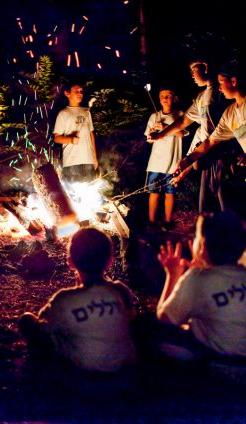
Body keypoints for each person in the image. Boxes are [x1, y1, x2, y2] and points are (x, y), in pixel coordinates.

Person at [18, 227, 137, 373]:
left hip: (81, 379)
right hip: (126, 375)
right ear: (110, 261)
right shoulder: (120, 291)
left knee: (27, 320)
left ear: (70, 262)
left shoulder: (64, 299)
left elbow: (43, 324)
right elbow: (131, 321)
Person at [156, 211, 246, 360]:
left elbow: (165, 318)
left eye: (196, 236)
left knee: (157, 335)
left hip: (220, 366)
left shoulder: (198, 278)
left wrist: (173, 275)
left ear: (202, 245)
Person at [149, 60, 229, 213]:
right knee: (206, 204)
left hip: (219, 154)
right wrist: (160, 135)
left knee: (224, 202)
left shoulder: (221, 94)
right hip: (204, 154)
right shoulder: (201, 97)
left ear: (206, 68)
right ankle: (207, 233)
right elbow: (185, 121)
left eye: (195, 70)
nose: (192, 75)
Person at [174, 62, 246, 218]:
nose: (219, 88)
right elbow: (209, 141)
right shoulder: (230, 114)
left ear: (233, 81)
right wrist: (187, 160)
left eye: (221, 82)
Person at [144, 88, 187, 230]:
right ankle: (151, 222)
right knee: (154, 193)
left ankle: (167, 222)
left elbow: (182, 134)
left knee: (170, 193)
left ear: (174, 98)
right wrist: (151, 135)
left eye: (168, 95)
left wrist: (166, 127)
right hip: (156, 162)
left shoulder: (180, 115)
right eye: (162, 96)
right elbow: (149, 140)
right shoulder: (154, 116)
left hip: (173, 163)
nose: (164, 98)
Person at [53, 82, 98, 183]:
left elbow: (91, 135)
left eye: (81, 91)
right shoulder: (63, 114)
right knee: (74, 195)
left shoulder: (86, 112)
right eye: (76, 91)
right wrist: (71, 140)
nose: (80, 94)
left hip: (88, 160)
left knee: (89, 191)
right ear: (67, 93)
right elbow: (57, 137)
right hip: (71, 162)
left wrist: (94, 158)